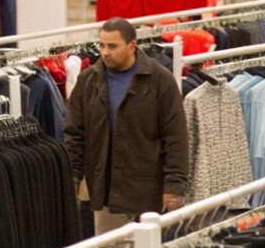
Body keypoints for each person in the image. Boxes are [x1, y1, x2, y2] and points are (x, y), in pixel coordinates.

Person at [64, 18, 189, 235]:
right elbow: (74, 134)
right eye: (102, 45)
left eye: (112, 46)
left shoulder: (161, 80)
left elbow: (176, 137)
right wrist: (72, 180)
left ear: (132, 45)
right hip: (105, 190)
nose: (105, 52)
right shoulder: (88, 81)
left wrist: (174, 187)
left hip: (147, 190)